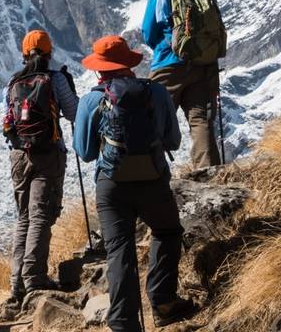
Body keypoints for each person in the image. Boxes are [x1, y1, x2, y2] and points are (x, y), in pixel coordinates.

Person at [74, 35, 197, 332]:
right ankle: (164, 301)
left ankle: (123, 323)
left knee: (119, 251)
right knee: (167, 231)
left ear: (99, 69)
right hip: (153, 178)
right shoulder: (155, 92)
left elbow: (86, 152)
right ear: (129, 63)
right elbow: (173, 140)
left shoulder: (92, 99)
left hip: (111, 185)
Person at [0, 29, 79, 314]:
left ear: (24, 53)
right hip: (48, 153)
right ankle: (35, 279)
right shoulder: (55, 79)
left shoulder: (13, 82)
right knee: (41, 216)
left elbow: (8, 120)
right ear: (49, 52)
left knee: (24, 217)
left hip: (19, 155)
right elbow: (73, 112)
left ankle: (16, 284)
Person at [141, 0, 226, 169]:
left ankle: (151, 175)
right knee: (200, 120)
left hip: (168, 65)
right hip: (203, 64)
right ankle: (209, 173)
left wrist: (166, 46)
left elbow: (148, 32)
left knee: (152, 121)